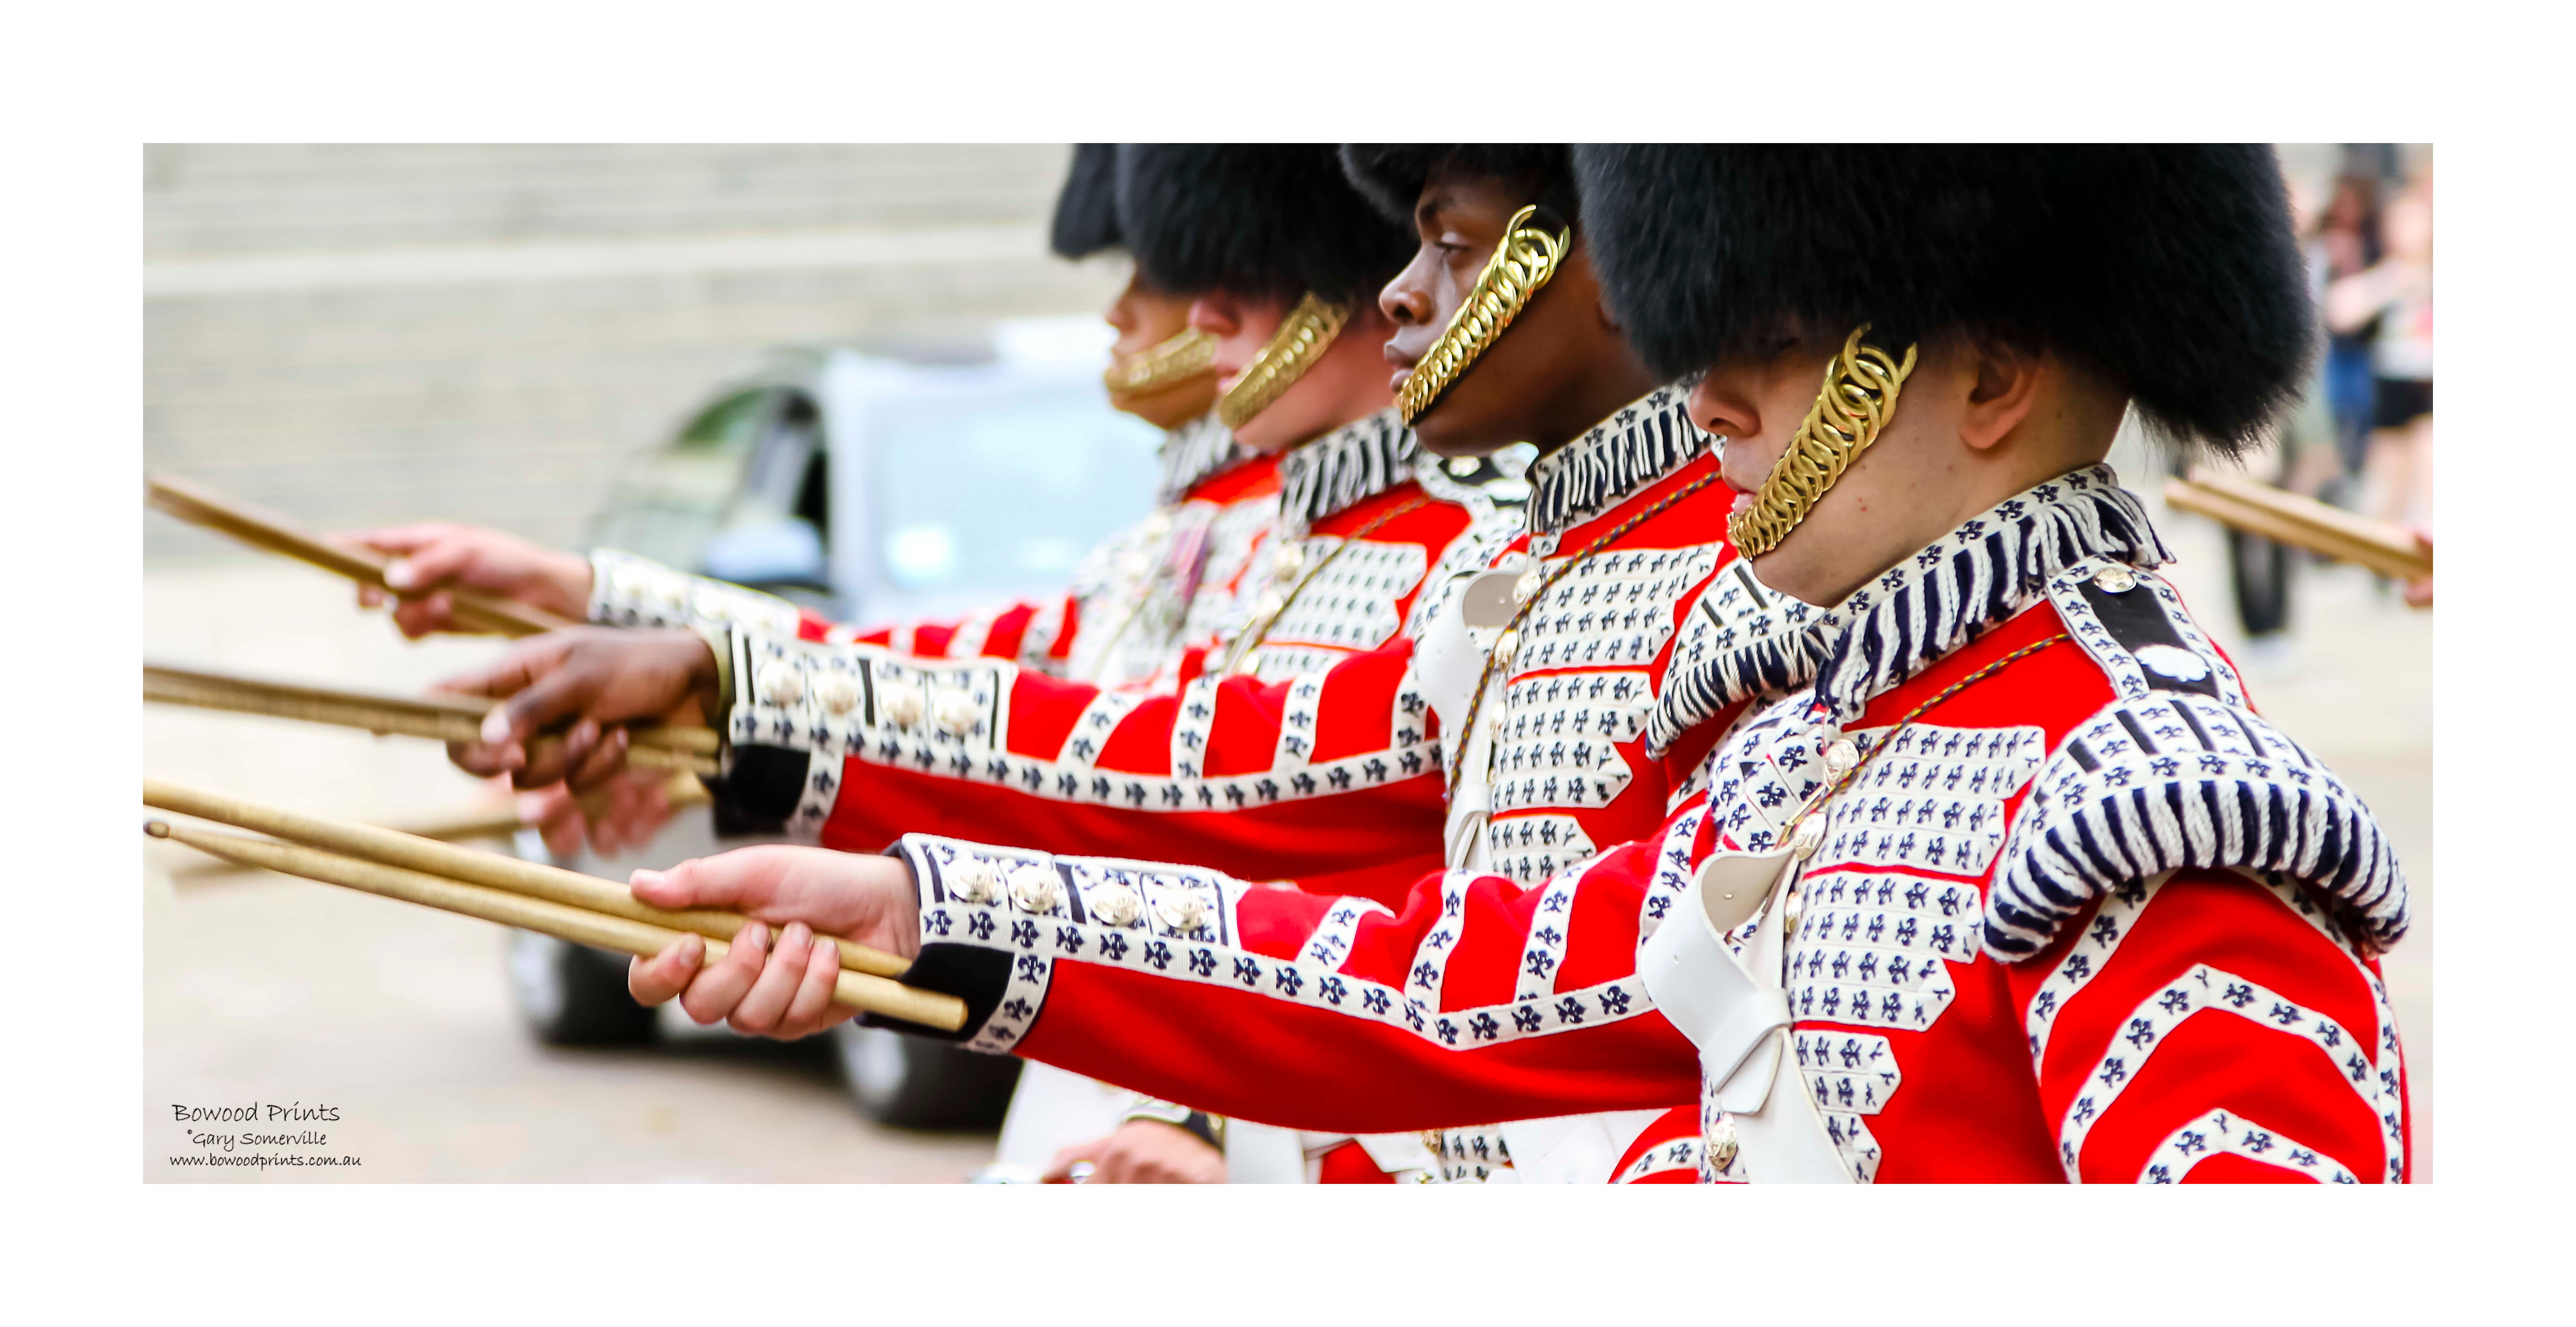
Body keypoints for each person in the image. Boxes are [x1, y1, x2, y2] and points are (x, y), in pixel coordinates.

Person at [597, 145, 2411, 1185]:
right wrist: (916, 907)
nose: (1706, 393)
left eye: (1762, 346)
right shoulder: (1829, 751)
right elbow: (1431, 980)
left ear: (1993, 372)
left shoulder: (2160, 816)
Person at [440, 143, 1828, 1181]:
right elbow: (1155, 753)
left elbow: (1517, 1000)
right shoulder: (1518, 571)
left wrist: (1223, 1137)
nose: (1406, 289)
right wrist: (721, 694)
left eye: (1450, 246)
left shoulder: (1693, 574)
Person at [2327, 183, 2434, 555]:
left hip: (2430, 386)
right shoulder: (2384, 274)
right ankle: (2389, 553)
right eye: (2398, 222)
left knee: (2429, 462)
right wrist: (2391, 281)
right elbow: (2339, 312)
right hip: (2391, 386)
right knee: (2390, 486)